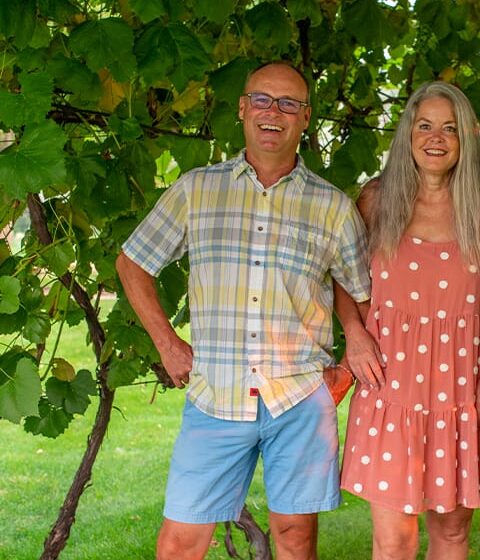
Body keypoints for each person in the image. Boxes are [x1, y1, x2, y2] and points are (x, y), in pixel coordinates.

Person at [116, 62, 371, 560]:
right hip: (216, 397)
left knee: (297, 541)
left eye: (288, 104)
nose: (273, 112)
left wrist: (343, 367)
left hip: (299, 399)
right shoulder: (197, 189)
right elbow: (132, 263)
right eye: (262, 99)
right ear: (242, 108)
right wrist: (167, 343)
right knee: (179, 542)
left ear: (305, 118)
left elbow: (355, 288)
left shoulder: (333, 206)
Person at [335, 81, 480, 560]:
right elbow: (343, 278)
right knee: (393, 542)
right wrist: (354, 334)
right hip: (389, 386)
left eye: (450, 128)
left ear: (466, 138)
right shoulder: (376, 199)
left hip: (463, 388)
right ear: (408, 133)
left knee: (452, 536)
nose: (436, 138)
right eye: (426, 126)